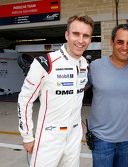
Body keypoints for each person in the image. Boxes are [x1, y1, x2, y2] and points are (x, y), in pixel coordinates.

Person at [17, 15, 94, 167]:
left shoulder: (84, 63)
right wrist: (27, 136)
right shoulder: (45, 63)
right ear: (67, 35)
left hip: (74, 136)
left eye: (86, 35)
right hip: (49, 137)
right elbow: (25, 100)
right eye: (76, 34)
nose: (81, 40)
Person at [88, 24, 128, 167]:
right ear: (112, 42)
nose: (125, 47)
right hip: (101, 139)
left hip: (126, 140)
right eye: (120, 42)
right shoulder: (95, 66)